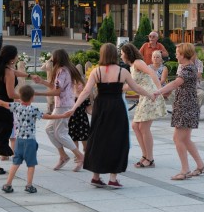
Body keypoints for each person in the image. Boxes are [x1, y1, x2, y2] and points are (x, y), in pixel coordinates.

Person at [67, 43, 154, 188]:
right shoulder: (122, 72)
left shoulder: (96, 72)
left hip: (100, 108)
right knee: (117, 140)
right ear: (114, 54)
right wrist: (149, 95)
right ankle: (113, 178)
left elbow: (86, 91)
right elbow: (136, 88)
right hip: (116, 107)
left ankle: (96, 176)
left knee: (98, 139)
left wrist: (74, 107)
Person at [0, 85, 72, 194]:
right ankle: (29, 185)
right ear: (32, 97)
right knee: (31, 164)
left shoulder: (16, 106)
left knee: (16, 162)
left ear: (20, 97)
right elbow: (47, 116)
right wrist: (62, 116)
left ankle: (8, 184)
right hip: (30, 141)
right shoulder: (33, 110)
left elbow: (2, 103)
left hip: (19, 141)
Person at [0, 45, 37, 175]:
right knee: (2, 133)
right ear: (11, 57)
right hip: (3, 106)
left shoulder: (0, 68)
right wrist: (24, 97)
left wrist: (29, 75)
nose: (17, 57)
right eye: (16, 55)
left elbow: (15, 72)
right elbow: (10, 94)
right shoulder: (8, 71)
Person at [154, 43, 204, 180]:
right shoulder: (186, 66)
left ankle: (185, 170)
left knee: (177, 138)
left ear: (183, 55)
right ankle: (201, 166)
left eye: (178, 53)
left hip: (186, 107)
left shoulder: (188, 69)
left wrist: (158, 91)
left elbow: (175, 83)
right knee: (186, 139)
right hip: (186, 106)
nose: (176, 55)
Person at [33, 49, 85, 172]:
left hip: (63, 106)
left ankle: (79, 156)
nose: (51, 60)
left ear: (57, 58)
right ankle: (63, 156)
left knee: (61, 133)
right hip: (62, 105)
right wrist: (42, 81)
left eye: (52, 58)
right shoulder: (66, 70)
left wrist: (37, 92)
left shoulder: (62, 71)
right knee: (49, 129)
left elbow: (57, 91)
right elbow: (56, 87)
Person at [121, 43, 166, 169]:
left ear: (127, 53)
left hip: (150, 95)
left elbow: (152, 72)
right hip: (144, 96)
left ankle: (149, 158)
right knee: (136, 126)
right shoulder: (132, 67)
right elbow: (132, 85)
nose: (121, 55)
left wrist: (159, 90)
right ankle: (145, 155)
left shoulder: (137, 62)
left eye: (122, 53)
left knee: (143, 127)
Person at [68, 82, 91, 153]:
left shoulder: (85, 97)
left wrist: (96, 114)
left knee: (84, 137)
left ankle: (86, 150)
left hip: (82, 120)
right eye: (74, 84)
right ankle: (77, 154)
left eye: (78, 84)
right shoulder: (70, 96)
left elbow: (89, 110)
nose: (76, 86)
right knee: (73, 138)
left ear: (83, 86)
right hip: (72, 119)